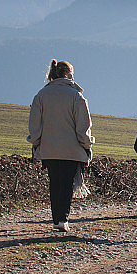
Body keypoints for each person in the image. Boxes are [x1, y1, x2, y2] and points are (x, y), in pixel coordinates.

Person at [27, 59, 94, 232]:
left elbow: (34, 125)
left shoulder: (41, 95)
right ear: (68, 74)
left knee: (54, 183)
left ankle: (56, 217)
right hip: (71, 150)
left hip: (48, 149)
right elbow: (83, 126)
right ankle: (63, 219)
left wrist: (36, 143)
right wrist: (86, 145)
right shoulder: (76, 96)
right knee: (67, 184)